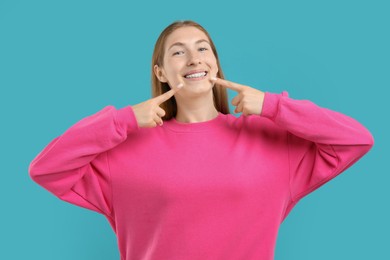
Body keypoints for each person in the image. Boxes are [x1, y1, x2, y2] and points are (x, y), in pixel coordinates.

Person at [29, 20, 374, 260]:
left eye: (203, 48)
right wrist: (123, 119)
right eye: (178, 52)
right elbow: (46, 169)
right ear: (161, 72)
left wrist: (274, 105)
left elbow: (355, 140)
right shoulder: (123, 151)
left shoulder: (270, 144)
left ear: (215, 64)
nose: (194, 58)